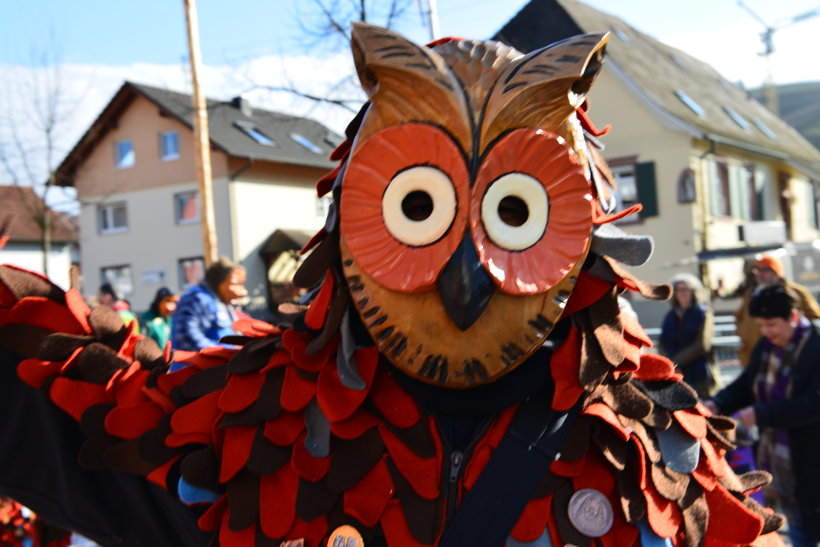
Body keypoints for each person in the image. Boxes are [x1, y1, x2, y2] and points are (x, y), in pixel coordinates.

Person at [0, 25, 784, 546]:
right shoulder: (250, 431)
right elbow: (60, 410)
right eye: (419, 207)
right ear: (348, 223)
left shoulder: (646, 451)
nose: (468, 272)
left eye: (516, 212)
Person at [706, 284, 820, 546]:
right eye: (761, 325)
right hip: (780, 461)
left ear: (792, 317)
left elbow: (815, 403)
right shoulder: (766, 347)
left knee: (807, 531)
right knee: (796, 527)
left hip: (811, 458)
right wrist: (717, 403)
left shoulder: (815, 346)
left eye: (771, 324)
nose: (766, 332)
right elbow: (746, 386)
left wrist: (762, 414)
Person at [735, 253, 820, 366]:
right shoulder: (751, 295)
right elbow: (739, 317)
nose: (760, 274)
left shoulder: (796, 293)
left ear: (776, 272)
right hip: (756, 355)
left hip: (787, 356)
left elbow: (815, 319)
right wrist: (743, 334)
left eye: (765, 270)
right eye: (757, 271)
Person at [657, 273, 718, 398]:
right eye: (678, 290)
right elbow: (662, 342)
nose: (682, 293)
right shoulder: (670, 316)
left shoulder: (703, 314)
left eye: (685, 289)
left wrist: (676, 362)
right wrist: (670, 364)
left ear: (693, 292)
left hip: (698, 373)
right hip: (675, 373)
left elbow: (702, 345)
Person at [171, 257, 247, 352]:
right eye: (236, 284)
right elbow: (185, 336)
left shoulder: (223, 304)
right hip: (195, 365)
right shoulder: (198, 298)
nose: (242, 292)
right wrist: (223, 352)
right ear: (220, 282)